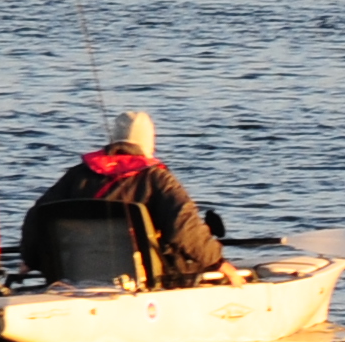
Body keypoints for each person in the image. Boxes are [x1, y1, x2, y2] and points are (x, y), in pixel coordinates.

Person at [18, 107, 227, 283]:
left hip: (77, 275)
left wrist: (31, 258)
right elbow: (184, 226)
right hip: (143, 280)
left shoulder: (76, 175)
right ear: (149, 144)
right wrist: (218, 262)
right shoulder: (157, 178)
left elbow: (37, 215)